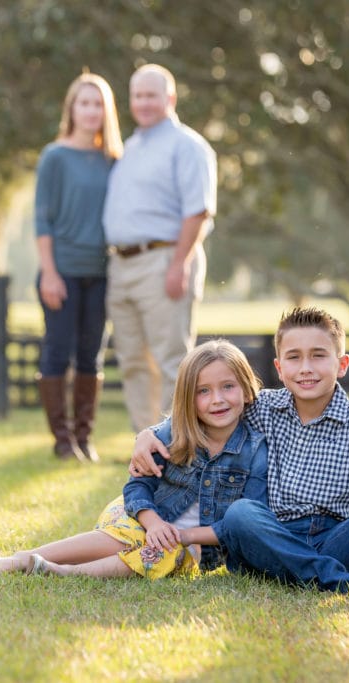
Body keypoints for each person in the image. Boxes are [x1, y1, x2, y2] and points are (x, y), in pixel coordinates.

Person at [130, 307, 349, 602]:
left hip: (338, 542)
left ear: (342, 364)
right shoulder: (263, 408)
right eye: (294, 357)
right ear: (279, 368)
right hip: (269, 540)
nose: (306, 368)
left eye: (318, 356)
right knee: (241, 513)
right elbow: (209, 411)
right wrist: (149, 435)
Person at [0, 339, 269, 579]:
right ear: (187, 399)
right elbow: (137, 487)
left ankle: (63, 573)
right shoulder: (173, 434)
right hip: (139, 514)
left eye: (227, 387)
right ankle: (24, 558)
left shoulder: (256, 450)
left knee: (161, 554)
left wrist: (183, 536)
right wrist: (153, 523)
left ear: (245, 389)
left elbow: (240, 524)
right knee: (133, 533)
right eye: (203, 391)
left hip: (193, 545)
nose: (217, 399)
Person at [102, 63, 218, 432]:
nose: (143, 102)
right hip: (122, 266)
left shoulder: (187, 146)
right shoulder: (130, 147)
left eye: (151, 95)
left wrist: (178, 263)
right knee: (133, 361)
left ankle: (176, 444)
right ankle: (145, 442)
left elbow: (198, 210)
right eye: (137, 95)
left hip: (165, 258)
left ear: (170, 97)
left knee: (171, 360)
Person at [34, 72, 123, 462]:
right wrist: (49, 272)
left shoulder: (115, 160)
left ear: (107, 111)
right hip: (63, 270)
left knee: (92, 354)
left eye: (98, 103)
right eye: (84, 103)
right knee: (58, 352)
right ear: (72, 108)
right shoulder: (55, 156)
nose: (91, 111)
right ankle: (62, 440)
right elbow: (43, 219)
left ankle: (85, 438)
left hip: (102, 272)